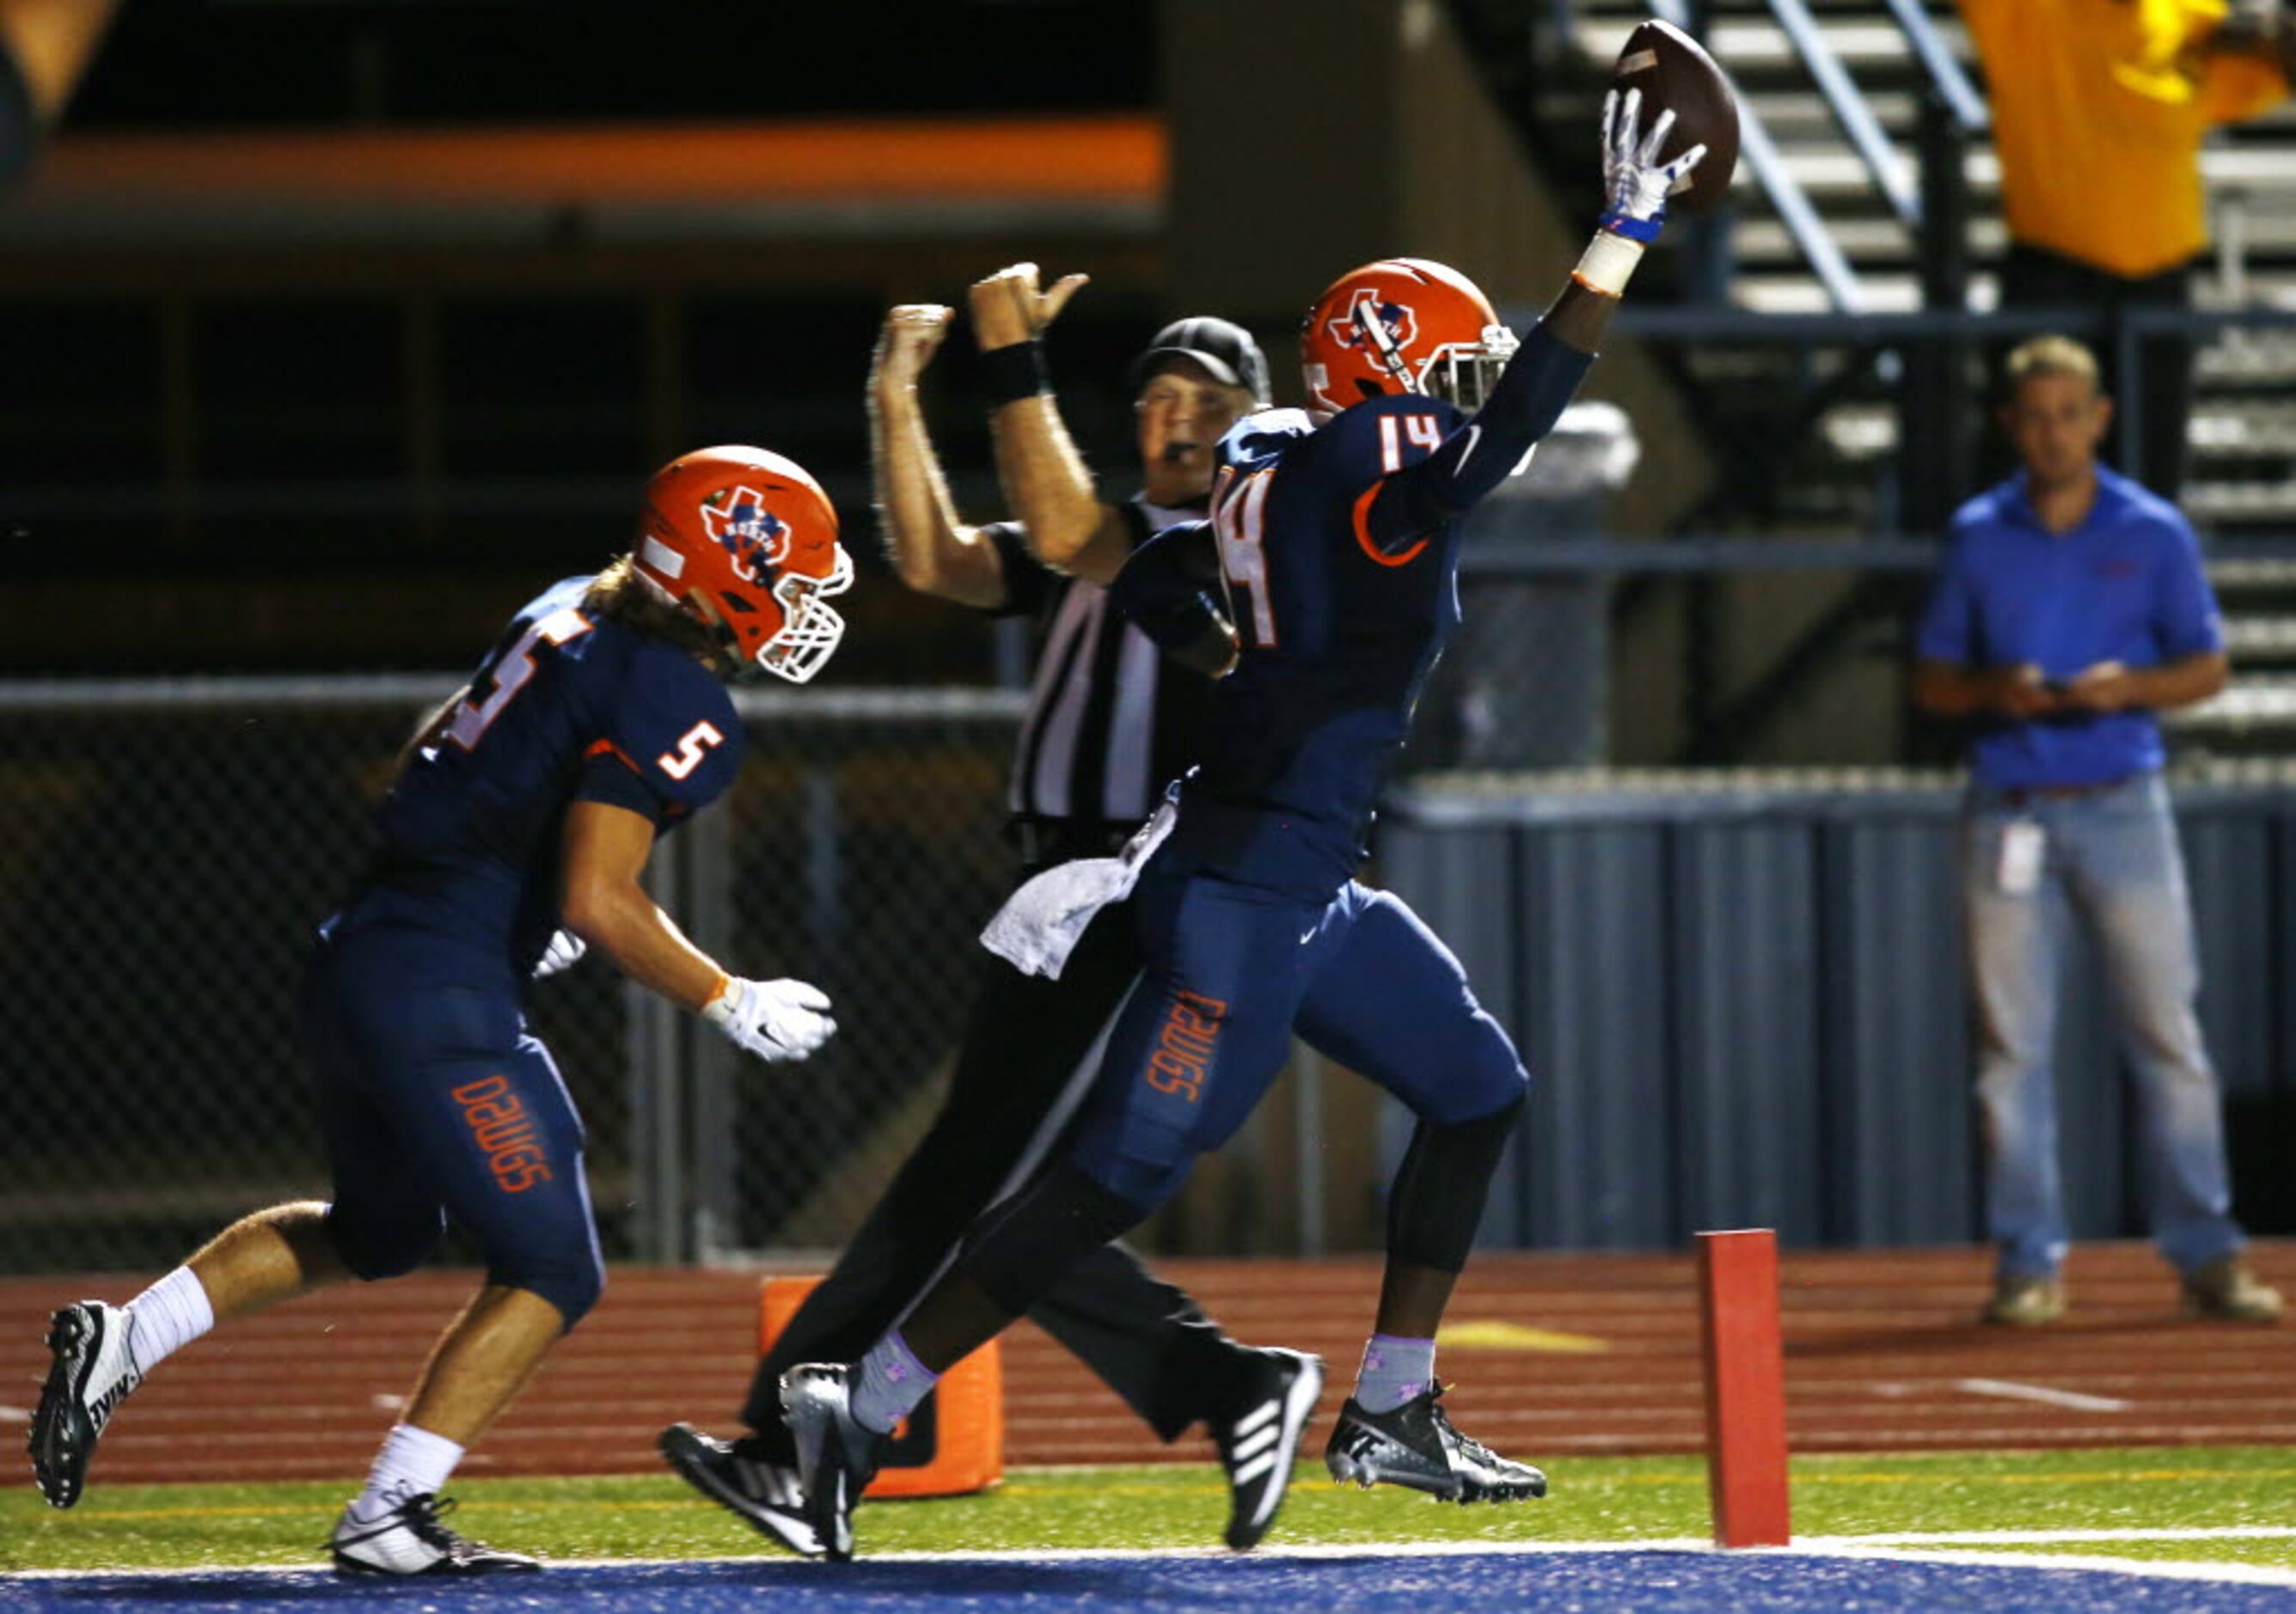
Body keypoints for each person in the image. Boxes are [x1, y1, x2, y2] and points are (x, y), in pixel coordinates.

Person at [774, 88, 1706, 1563]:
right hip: (1244, 891)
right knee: (1107, 1180)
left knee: (1475, 1087)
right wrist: (1622, 237)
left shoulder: (1273, 453)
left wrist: (1230, 658)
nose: (1464, 390)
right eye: (1443, 367)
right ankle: (863, 1398)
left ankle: (1394, 1405)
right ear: (1392, 369)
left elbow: (1147, 581)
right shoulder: (1363, 459)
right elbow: (1517, 420)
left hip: (1301, 872)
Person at [27, 445, 854, 1574]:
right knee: (555, 1266)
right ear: (725, 566)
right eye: (795, 578)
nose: (803, 605)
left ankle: (125, 1337)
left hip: (363, 950)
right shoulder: (674, 688)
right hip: (440, 985)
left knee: (384, 1230)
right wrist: (726, 995)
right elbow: (598, 893)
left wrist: (496, 879)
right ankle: (387, 1513)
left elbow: (433, 750)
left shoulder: (563, 607)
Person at [657, 274, 1323, 1556]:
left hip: (1143, 886)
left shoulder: (1242, 541)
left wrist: (1010, 357)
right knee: (989, 1189)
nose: (1174, 423)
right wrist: (896, 395)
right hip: (1069, 891)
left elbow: (1072, 534)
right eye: (1156, 399)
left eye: (1205, 402)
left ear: (1252, 421)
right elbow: (936, 559)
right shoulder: (1115, 528)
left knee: (971, 1181)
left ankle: (798, 1447)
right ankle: (1216, 1383)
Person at [1912, 334, 2284, 1328]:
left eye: (2068, 413)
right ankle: (2028, 1263)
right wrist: (1998, 691)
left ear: (2099, 419)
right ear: (2009, 426)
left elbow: (2206, 669)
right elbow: (1932, 680)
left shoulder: (2152, 531)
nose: (2051, 433)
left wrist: (2127, 689)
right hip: (2010, 806)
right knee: (2009, 1052)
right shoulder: (1977, 534)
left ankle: (2206, 1250)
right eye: (2032, 416)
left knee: (2168, 1034)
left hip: (2124, 802)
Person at [1959, 0, 2293, 498]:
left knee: (2147, 484)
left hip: (2159, 286)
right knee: (2029, 478)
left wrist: (2277, 33)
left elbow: (2270, 68)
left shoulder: (2188, 16)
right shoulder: (2031, 13)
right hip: (2055, 276)